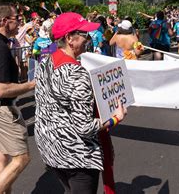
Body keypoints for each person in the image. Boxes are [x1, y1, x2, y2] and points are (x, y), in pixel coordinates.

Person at [35, 12, 127, 194]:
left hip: (50, 145)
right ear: (70, 38)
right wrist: (115, 118)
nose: (88, 38)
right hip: (75, 154)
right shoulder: (76, 73)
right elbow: (84, 127)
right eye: (84, 34)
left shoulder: (45, 62)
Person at [0, 4, 36, 194]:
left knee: (0, 156)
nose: (20, 22)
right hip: (0, 109)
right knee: (22, 158)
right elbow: (1, 89)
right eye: (16, 18)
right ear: (4, 21)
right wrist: (33, 84)